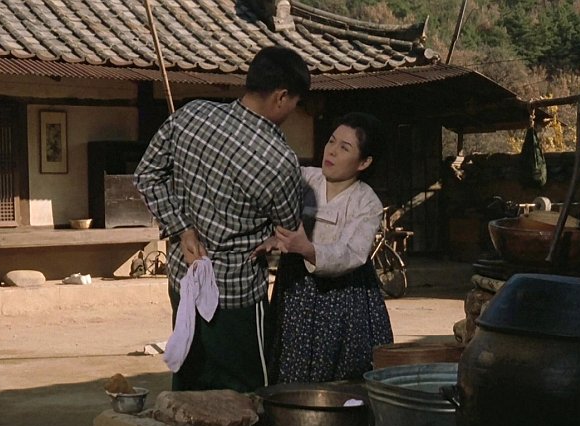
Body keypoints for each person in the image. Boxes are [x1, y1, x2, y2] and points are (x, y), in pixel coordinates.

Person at [133, 46, 310, 392]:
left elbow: (146, 175)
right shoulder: (279, 160)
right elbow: (289, 227)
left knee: (190, 381)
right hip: (236, 295)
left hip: (184, 279)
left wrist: (183, 229)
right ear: (281, 96)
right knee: (246, 393)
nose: (293, 110)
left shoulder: (192, 114)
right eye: (295, 102)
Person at [255, 112, 394, 384]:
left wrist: (307, 248)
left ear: (364, 162)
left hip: (344, 297)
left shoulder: (367, 203)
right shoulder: (304, 179)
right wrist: (273, 235)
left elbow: (352, 253)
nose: (331, 151)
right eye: (331, 141)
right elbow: (271, 197)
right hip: (296, 291)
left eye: (345, 147)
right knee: (289, 364)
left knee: (342, 376)